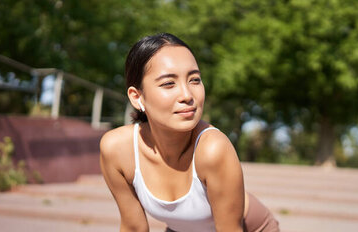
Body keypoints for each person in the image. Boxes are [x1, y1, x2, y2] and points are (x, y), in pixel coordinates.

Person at [99, 33, 280, 232]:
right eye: (169, 83)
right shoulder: (116, 150)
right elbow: (134, 227)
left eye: (194, 80)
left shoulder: (213, 149)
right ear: (137, 97)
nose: (187, 95)